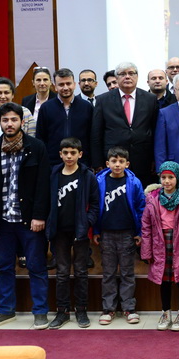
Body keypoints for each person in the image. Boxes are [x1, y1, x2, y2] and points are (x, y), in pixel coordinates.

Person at [0, 102, 51, 329]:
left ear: (22, 122)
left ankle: (40, 311)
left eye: (13, 120)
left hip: (29, 220)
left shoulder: (36, 147)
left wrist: (39, 215)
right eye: (5, 120)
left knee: (36, 266)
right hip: (2, 221)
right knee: (3, 267)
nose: (9, 124)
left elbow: (43, 185)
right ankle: (5, 310)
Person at [46, 137, 100, 329]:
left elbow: (95, 203)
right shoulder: (53, 174)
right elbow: (46, 200)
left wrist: (87, 222)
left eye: (73, 153)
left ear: (80, 154)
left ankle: (81, 310)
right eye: (66, 153)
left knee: (81, 271)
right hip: (59, 232)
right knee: (61, 272)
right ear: (60, 154)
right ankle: (62, 311)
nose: (69, 156)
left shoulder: (87, 176)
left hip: (80, 231)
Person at [141, 161, 179, 331]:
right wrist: (146, 251)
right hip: (160, 243)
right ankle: (166, 312)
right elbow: (146, 226)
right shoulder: (152, 198)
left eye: (170, 177)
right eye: (163, 177)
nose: (166, 181)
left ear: (178, 178)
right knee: (164, 280)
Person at [94, 146, 145, 325]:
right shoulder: (99, 182)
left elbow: (141, 208)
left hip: (127, 234)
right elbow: (94, 207)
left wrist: (139, 232)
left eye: (121, 161)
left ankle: (128, 308)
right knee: (108, 273)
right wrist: (96, 231)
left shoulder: (134, 182)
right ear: (107, 163)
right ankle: (108, 309)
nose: (117, 164)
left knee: (127, 273)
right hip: (106, 234)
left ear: (127, 164)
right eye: (114, 161)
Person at [92, 62, 159, 182]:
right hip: (114, 160)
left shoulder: (150, 99)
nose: (127, 77)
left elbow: (155, 130)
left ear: (137, 76)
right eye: (122, 74)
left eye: (131, 73)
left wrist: (155, 159)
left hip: (143, 160)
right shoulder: (103, 100)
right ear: (116, 78)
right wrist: (98, 162)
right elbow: (96, 133)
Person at [36, 68, 93, 167]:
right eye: (61, 84)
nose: (65, 88)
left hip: (81, 163)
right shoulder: (46, 108)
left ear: (74, 84)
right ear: (55, 86)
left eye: (68, 83)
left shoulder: (87, 107)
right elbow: (40, 137)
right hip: (53, 163)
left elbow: (92, 136)